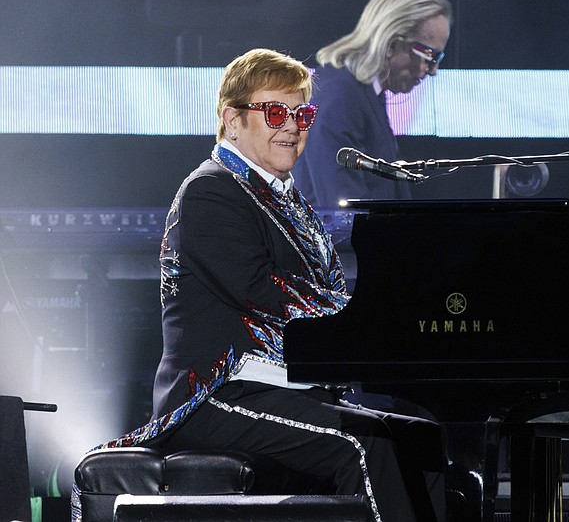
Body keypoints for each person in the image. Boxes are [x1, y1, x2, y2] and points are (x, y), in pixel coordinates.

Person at [71, 48, 445, 522]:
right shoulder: (211, 190)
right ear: (232, 119)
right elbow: (265, 290)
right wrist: (366, 319)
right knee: (364, 446)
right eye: (275, 112)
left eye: (302, 113)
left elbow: (327, 289)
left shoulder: (292, 203)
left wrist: (375, 325)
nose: (292, 126)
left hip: (286, 391)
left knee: (422, 437)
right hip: (219, 395)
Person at [292, 0, 452, 210]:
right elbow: (345, 216)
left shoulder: (361, 93)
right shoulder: (341, 97)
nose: (433, 70)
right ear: (392, 44)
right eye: (430, 55)